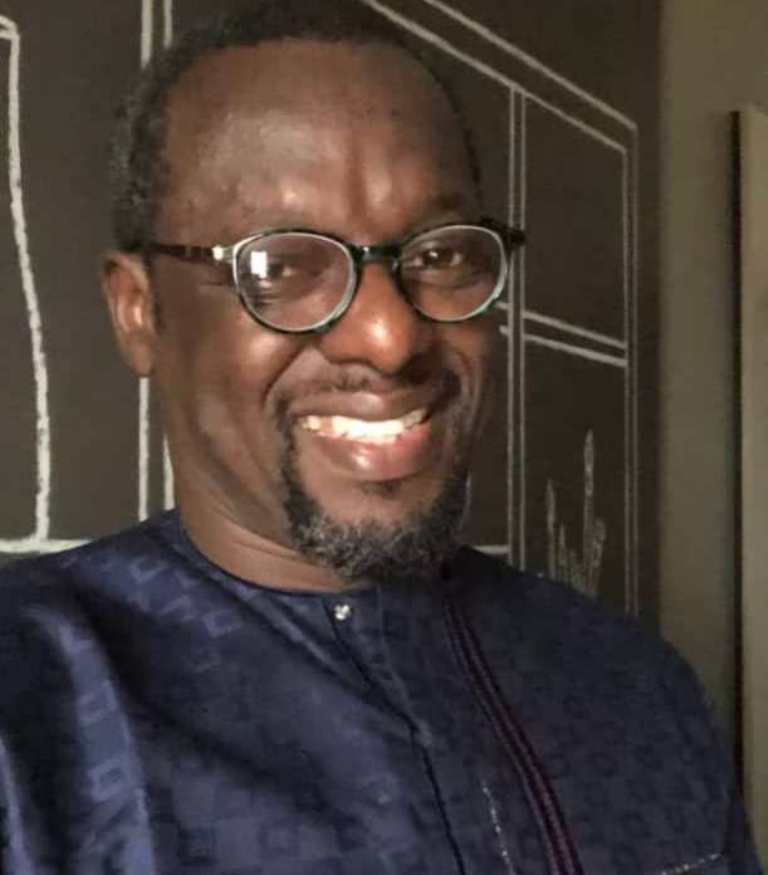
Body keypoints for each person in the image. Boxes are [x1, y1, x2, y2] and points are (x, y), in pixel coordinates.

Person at [0, 2, 761, 873]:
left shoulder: (637, 687)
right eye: (283, 266)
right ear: (140, 313)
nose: (390, 336)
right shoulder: (32, 718)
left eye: (438, 256)